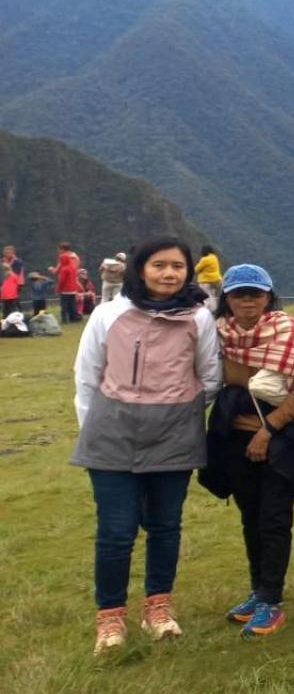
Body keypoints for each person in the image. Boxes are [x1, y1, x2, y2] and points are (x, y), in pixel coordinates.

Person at [70, 236, 220, 655]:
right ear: (140, 268)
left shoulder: (199, 318)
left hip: (173, 437)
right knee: (116, 531)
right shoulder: (109, 314)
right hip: (111, 435)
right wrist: (94, 428)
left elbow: (209, 376)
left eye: (177, 266)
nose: (169, 273)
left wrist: (177, 411)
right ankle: (110, 618)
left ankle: (158, 607)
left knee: (165, 526)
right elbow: (88, 377)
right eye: (159, 265)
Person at [210, 264, 294, 637]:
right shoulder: (218, 334)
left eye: (255, 294)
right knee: (250, 517)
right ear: (226, 298)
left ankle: (272, 600)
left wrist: (268, 430)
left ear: (268, 297)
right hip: (234, 440)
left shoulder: (286, 331)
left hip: (281, 440)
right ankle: (258, 590)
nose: (247, 301)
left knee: (274, 518)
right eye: (239, 294)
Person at [52, 243, 81, 323]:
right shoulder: (73, 263)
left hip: (65, 289)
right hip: (73, 287)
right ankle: (74, 317)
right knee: (72, 304)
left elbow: (62, 280)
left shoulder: (64, 268)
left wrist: (58, 289)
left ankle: (64, 319)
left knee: (64, 305)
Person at [195, 245, 223, 312]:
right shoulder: (214, 257)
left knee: (207, 296)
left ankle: (209, 310)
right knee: (213, 295)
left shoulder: (204, 259)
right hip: (216, 280)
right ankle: (215, 308)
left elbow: (197, 269)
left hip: (206, 281)